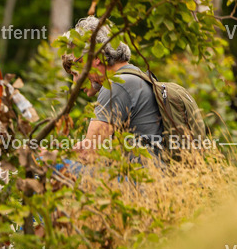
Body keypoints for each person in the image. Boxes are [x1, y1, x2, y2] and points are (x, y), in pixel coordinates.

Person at [63, 16, 164, 163]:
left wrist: (52, 156)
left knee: (49, 165)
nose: (75, 81)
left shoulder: (116, 86)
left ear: (95, 57)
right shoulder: (135, 77)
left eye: (77, 68)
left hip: (139, 175)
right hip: (154, 171)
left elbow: (89, 153)